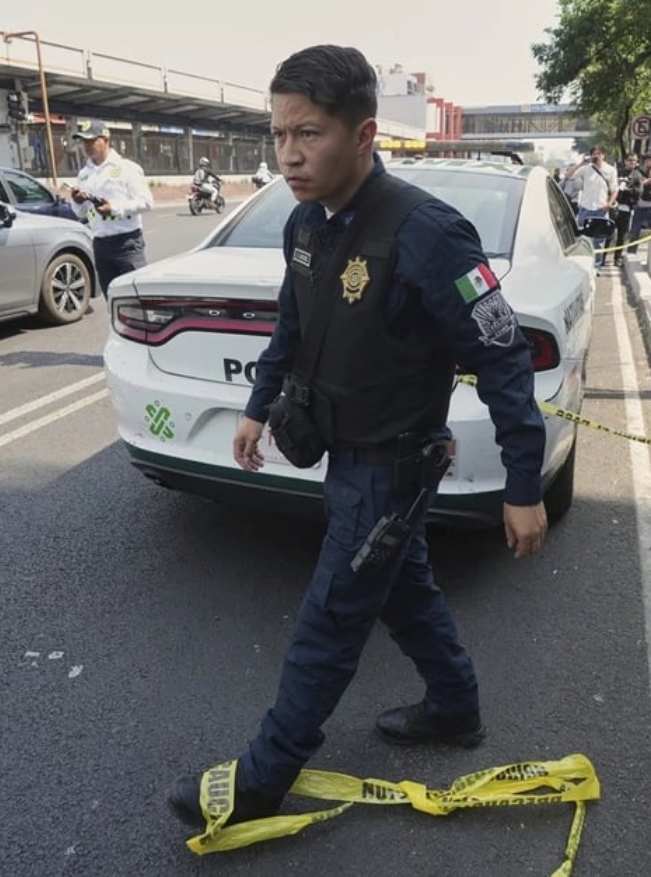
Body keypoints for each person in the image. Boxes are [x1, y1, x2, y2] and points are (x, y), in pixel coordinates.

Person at [166, 44, 549, 830]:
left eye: (308, 134)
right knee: (404, 591)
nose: (288, 154)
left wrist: (522, 485)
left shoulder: (429, 234)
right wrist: (256, 405)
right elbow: (292, 324)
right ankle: (455, 706)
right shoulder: (306, 224)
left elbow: (503, 355)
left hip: (393, 468)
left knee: (330, 621)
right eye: (279, 134)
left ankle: (262, 779)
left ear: (364, 133)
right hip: (342, 454)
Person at [67, 118, 153, 299]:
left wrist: (114, 208)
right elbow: (81, 213)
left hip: (127, 243)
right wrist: (77, 202)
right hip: (100, 244)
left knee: (137, 298)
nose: (86, 146)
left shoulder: (127, 168)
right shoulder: (84, 174)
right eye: (83, 142)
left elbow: (146, 202)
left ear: (106, 140)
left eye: (91, 141)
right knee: (113, 299)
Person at [565, 144, 618, 274]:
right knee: (583, 240)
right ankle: (583, 266)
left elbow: (614, 189)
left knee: (599, 241)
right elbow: (569, 176)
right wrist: (581, 163)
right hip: (586, 208)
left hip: (601, 209)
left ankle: (596, 267)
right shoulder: (586, 169)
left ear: (603, 155)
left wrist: (609, 204)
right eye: (594, 153)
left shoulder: (610, 170)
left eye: (599, 153)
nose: (596, 156)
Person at [627, 154, 651, 254]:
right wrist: (645, 183)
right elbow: (632, 185)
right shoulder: (637, 172)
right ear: (645, 161)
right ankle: (631, 252)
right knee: (635, 232)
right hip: (640, 206)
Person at [611, 153, 642, 266]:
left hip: (626, 208)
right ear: (625, 161)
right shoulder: (617, 172)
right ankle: (601, 258)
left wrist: (628, 189)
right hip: (613, 206)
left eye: (634, 160)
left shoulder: (637, 175)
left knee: (622, 235)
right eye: (630, 160)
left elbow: (639, 191)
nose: (632, 162)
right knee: (608, 233)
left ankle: (617, 258)